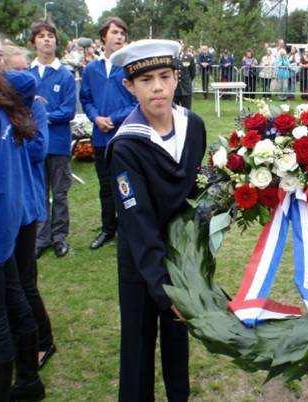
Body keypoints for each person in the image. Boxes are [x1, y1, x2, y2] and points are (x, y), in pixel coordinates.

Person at [107, 39, 206, 401]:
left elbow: (195, 191)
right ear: (129, 86)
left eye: (165, 76)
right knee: (138, 344)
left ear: (177, 78)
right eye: (146, 79)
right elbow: (139, 225)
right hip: (142, 260)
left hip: (181, 258)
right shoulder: (126, 146)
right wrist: (165, 290)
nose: (158, 87)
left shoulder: (193, 126)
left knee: (178, 340)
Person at [1, 42, 58, 370]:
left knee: (24, 280)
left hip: (28, 201)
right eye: (17, 71)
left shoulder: (31, 105)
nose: (25, 79)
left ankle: (43, 341)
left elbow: (40, 149)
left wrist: (10, 142)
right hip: (14, 203)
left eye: (24, 70)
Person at [0, 54, 46, 402]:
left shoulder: (3, 108)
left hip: (1, 228)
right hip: (5, 228)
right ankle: (29, 382)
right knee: (14, 304)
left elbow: (28, 81)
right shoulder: (2, 109)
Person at [80, 17, 138, 251]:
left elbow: (137, 102)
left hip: (124, 136)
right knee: (105, 186)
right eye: (115, 32)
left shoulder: (130, 67)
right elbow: (86, 98)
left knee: (126, 184)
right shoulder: (91, 69)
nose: (120, 36)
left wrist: (113, 119)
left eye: (123, 32)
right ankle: (108, 228)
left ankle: (129, 228)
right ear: (104, 37)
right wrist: (96, 118)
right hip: (100, 138)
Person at [29, 21, 77, 259]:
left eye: (50, 36)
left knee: (59, 193)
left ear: (56, 42)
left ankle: (59, 237)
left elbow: (68, 111)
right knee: (39, 193)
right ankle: (42, 237)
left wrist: (41, 116)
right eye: (41, 36)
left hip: (58, 143)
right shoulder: (26, 75)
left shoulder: (65, 75)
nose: (46, 39)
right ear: (34, 42)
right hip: (34, 145)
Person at [174, 45, 196, 110]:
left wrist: (188, 81)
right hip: (175, 89)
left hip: (186, 88)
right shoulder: (171, 58)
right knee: (174, 111)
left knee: (187, 111)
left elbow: (192, 73)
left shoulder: (189, 58)